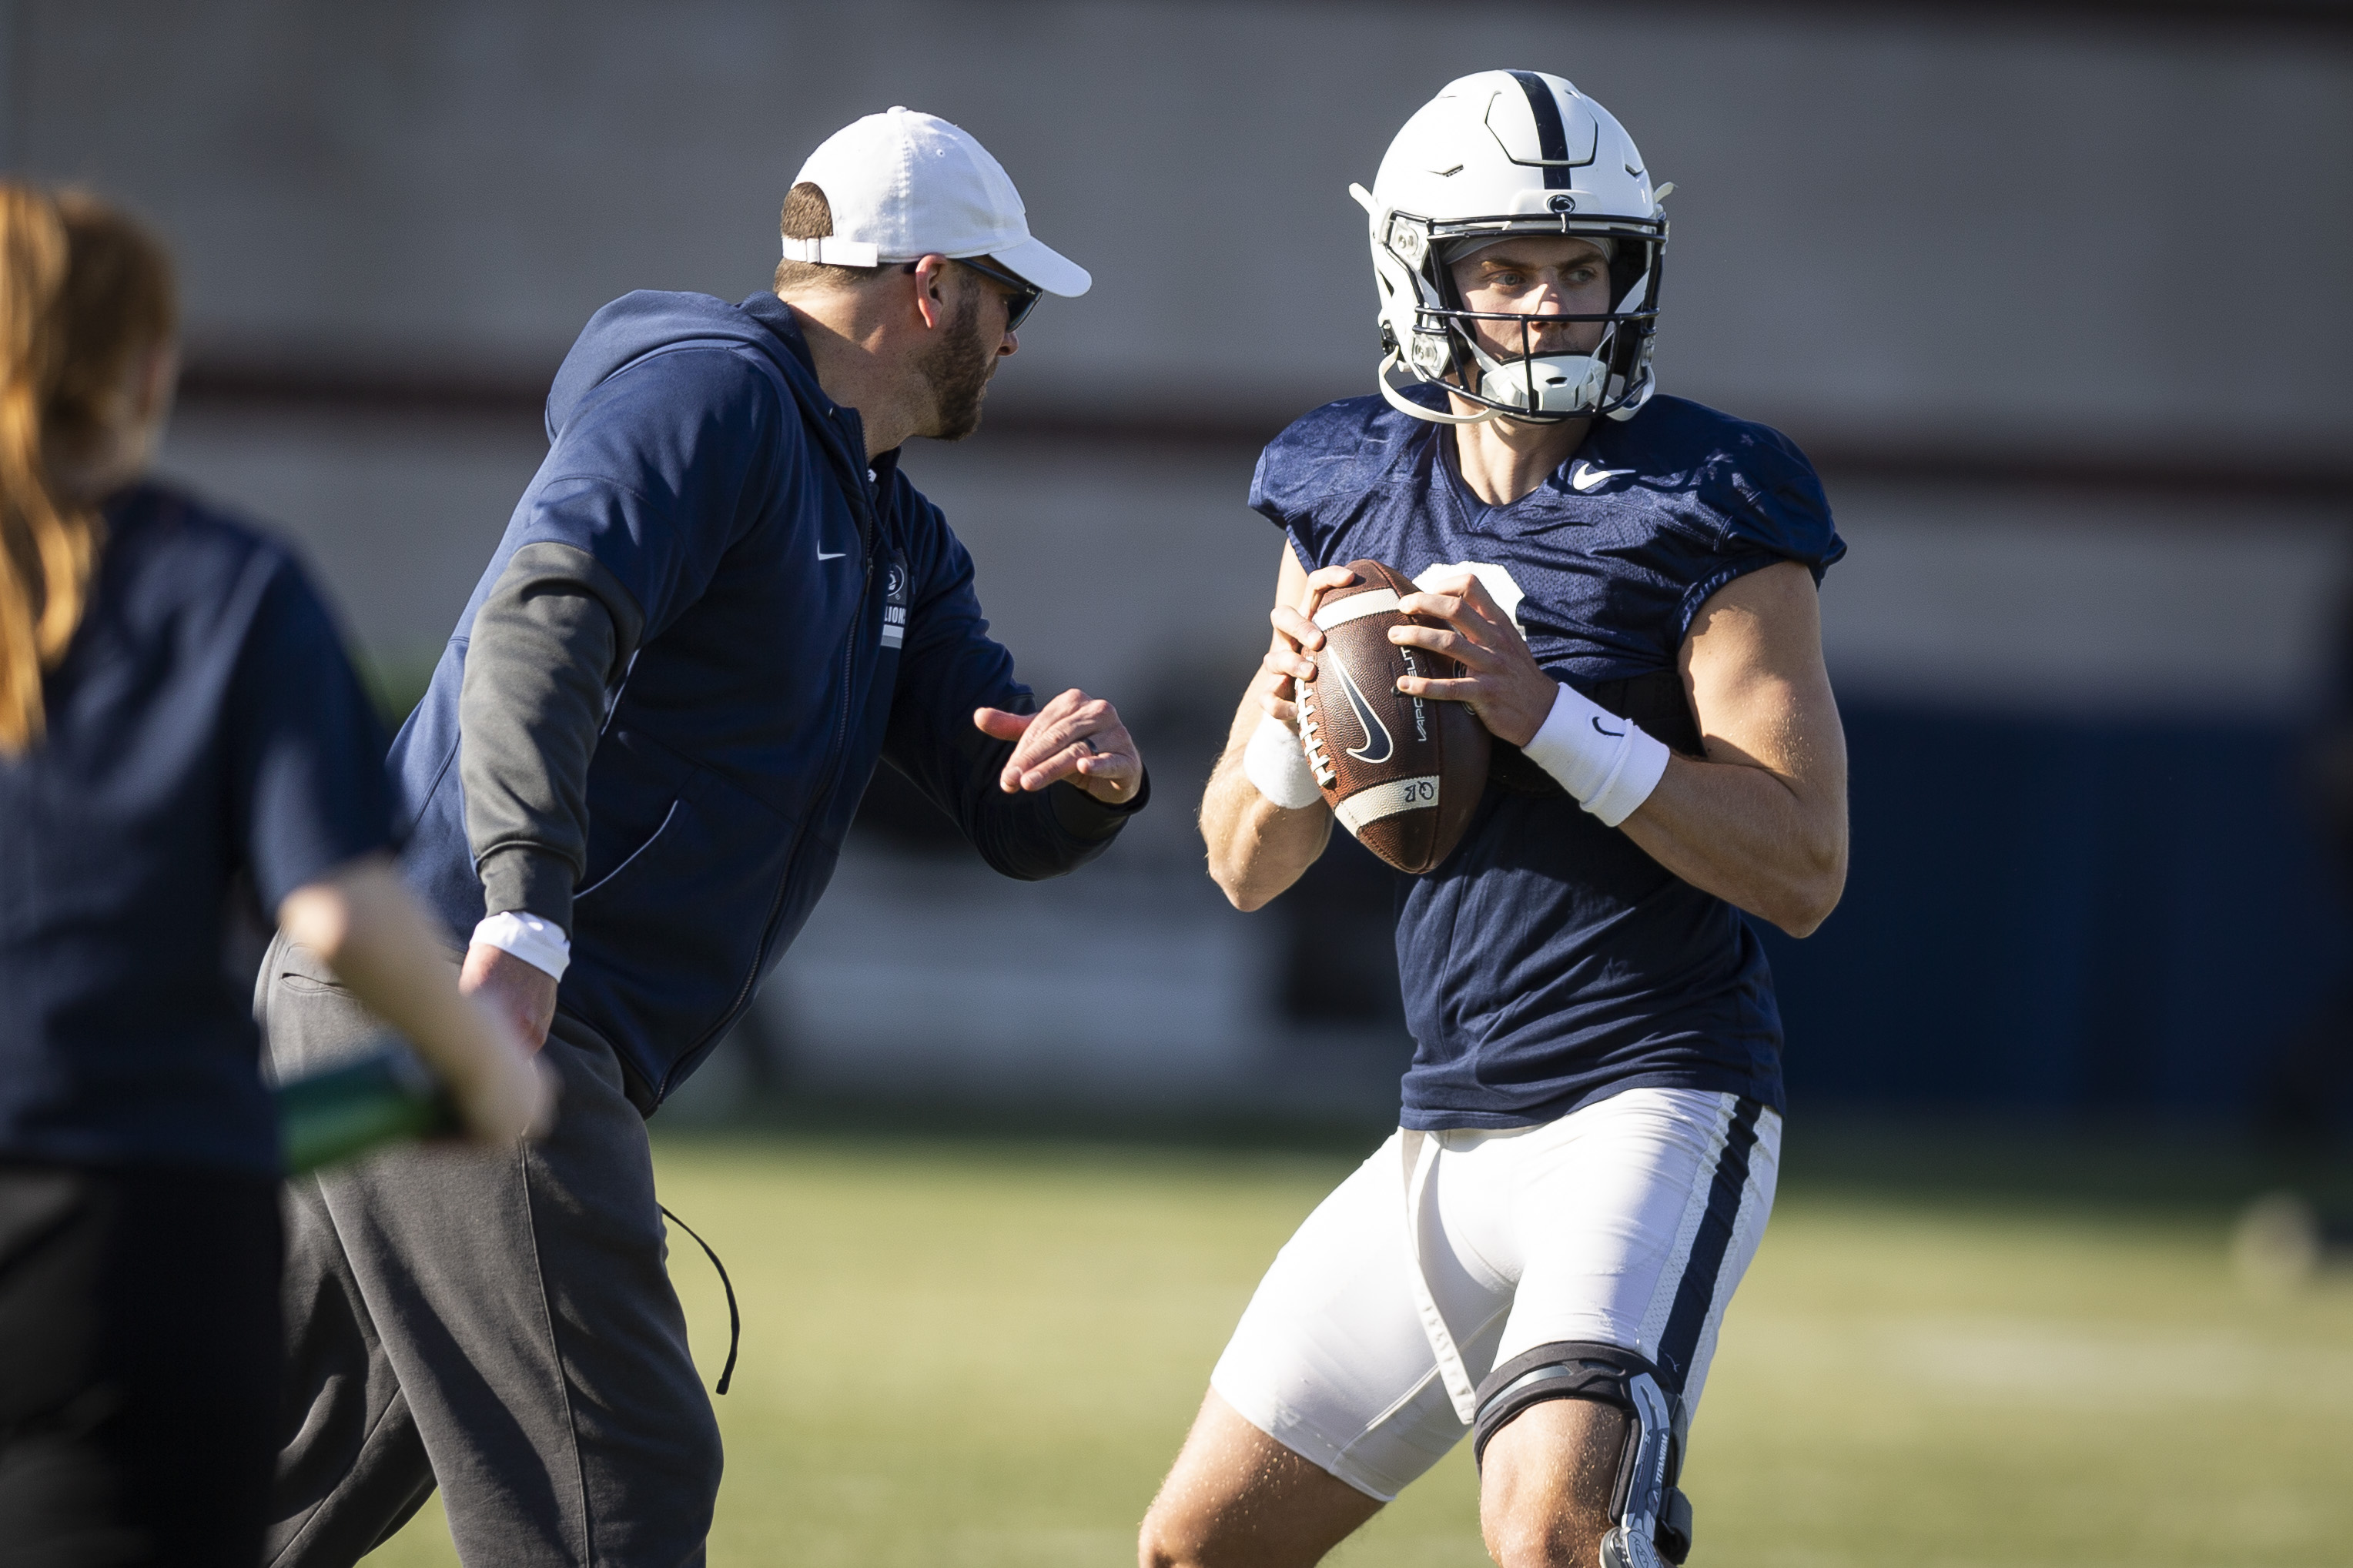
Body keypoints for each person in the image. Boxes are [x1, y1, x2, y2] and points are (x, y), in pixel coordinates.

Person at [260, 107, 1149, 1566]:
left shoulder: (896, 532)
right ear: (929, 287)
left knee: (287, 1472)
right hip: (456, 1006)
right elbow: (545, 623)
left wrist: (1089, 784)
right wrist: (523, 919)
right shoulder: (709, 399)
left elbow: (1002, 791)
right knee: (619, 1482)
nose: (1014, 337)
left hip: (383, 1011)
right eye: (1008, 297)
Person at [1139, 72, 1848, 1568]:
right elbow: (1241, 862)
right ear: (1419, 275)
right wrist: (1284, 715)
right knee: (1197, 1545)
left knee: (1553, 1535)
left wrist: (1547, 716)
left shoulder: (1712, 495)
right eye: (1507, 269)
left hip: (1651, 1096)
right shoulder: (1346, 482)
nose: (1550, 305)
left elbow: (1799, 863)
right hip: (1449, 1112)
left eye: (1582, 268)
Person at [0, 186, 547, 1568]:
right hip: (130, 1245)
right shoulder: (230, 586)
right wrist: (486, 1074)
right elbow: (339, 908)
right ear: (142, 367)